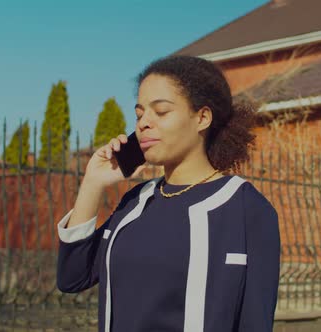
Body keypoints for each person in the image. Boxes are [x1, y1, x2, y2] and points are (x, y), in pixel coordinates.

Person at [56, 55, 280, 332]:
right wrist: (92, 183)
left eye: (161, 112)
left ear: (202, 118)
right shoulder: (135, 202)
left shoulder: (247, 209)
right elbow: (72, 278)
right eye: (139, 114)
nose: (143, 124)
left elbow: (255, 321)